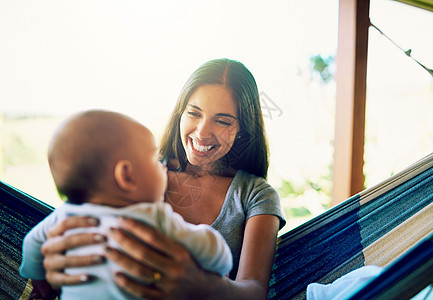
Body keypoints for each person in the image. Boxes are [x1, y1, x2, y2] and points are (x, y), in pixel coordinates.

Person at [39, 58, 286, 299]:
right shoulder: (139, 175)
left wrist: (202, 286)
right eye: (194, 113)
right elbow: (70, 230)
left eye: (222, 121)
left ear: (243, 129)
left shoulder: (256, 195)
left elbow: (254, 290)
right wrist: (54, 261)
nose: (202, 132)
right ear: (181, 112)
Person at [20, 110, 233, 299]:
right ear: (126, 176)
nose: (163, 167)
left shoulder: (65, 217)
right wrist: (220, 255)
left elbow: (31, 244)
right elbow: (211, 250)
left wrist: (40, 280)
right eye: (155, 159)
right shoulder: (153, 217)